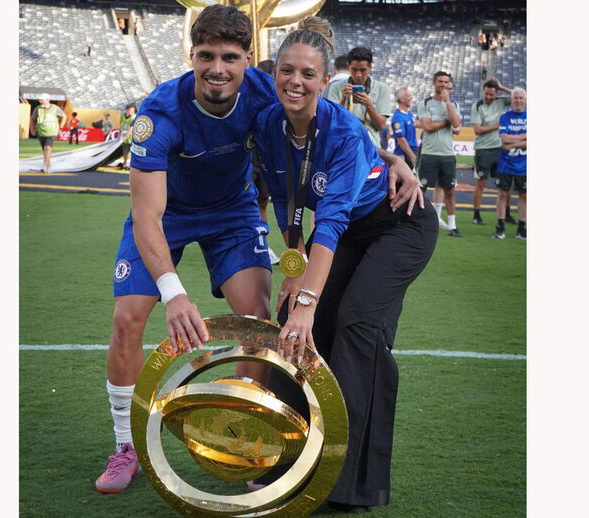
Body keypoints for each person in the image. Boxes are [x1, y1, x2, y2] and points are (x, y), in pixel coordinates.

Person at [95, 5, 424, 495]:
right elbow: (147, 216)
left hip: (232, 212)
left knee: (256, 318)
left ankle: (242, 434)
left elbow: (326, 127)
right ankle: (126, 446)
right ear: (191, 56)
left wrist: (389, 157)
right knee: (127, 319)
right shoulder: (159, 113)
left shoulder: (265, 90)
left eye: (230, 57)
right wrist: (174, 292)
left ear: (248, 60)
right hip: (168, 214)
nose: (218, 69)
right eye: (206, 56)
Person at [252, 16, 436, 514]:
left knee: (356, 324)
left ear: (325, 80)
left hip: (399, 224)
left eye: (308, 74)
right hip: (350, 230)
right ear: (274, 73)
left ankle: (348, 480)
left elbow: (329, 223)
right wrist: (294, 279)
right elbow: (289, 203)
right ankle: (284, 459)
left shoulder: (344, 132)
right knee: (296, 323)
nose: (295, 81)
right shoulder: (267, 122)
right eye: (286, 71)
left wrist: (307, 301)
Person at [417, 71, 463, 236]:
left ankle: (452, 226)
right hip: (429, 153)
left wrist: (447, 102)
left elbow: (456, 124)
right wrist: (446, 121)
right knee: (421, 188)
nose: (443, 84)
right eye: (440, 81)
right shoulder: (425, 103)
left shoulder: (453, 104)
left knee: (449, 191)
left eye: (446, 82)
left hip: (447, 153)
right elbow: (427, 127)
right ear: (434, 83)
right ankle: (415, 221)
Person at [326, 46, 392, 151]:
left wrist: (369, 105)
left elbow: (380, 126)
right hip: (343, 145)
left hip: (371, 147)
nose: (358, 75)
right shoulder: (336, 87)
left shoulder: (382, 88)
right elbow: (332, 120)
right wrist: (343, 99)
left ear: (370, 67)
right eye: (354, 69)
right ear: (348, 66)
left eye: (363, 70)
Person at [470, 77, 513, 225]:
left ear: (496, 93)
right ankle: (476, 215)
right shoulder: (477, 106)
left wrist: (502, 87)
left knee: (505, 184)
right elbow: (477, 129)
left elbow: (519, 97)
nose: (488, 97)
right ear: (483, 92)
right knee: (480, 183)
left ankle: (507, 214)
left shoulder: (501, 102)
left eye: (492, 94)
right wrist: (496, 126)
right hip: (483, 150)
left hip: (500, 149)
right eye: (486, 94)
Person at [251, 59, 280, 264]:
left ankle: (262, 245)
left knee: (262, 201)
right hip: (247, 157)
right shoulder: (248, 98)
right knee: (244, 201)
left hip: (265, 157)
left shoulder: (276, 99)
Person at [493, 87, 527, 240]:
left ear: (525, 100)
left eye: (521, 98)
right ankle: (500, 227)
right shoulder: (505, 117)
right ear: (511, 100)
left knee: (524, 196)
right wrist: (524, 137)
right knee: (502, 194)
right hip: (505, 163)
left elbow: (508, 142)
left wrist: (513, 143)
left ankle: (521, 229)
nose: (518, 100)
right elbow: (504, 139)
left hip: (525, 165)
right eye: (516, 98)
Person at [29, 93, 66, 173]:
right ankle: (48, 166)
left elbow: (63, 116)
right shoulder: (38, 109)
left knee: (47, 148)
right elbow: (32, 119)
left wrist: (61, 126)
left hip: (52, 131)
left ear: (48, 100)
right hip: (41, 132)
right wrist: (32, 130)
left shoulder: (54, 108)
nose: (40, 101)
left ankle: (45, 166)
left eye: (42, 100)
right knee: (45, 149)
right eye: (40, 100)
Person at [391, 86, 418, 169]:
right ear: (401, 99)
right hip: (404, 154)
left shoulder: (409, 114)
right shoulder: (398, 117)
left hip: (412, 151)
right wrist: (412, 156)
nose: (411, 98)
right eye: (408, 96)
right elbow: (401, 139)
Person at [119, 103, 136, 169]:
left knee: (133, 152)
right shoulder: (122, 116)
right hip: (124, 137)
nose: (131, 112)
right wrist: (120, 135)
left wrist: (125, 137)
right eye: (130, 110)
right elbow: (120, 125)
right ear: (126, 110)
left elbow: (131, 129)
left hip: (132, 138)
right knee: (125, 152)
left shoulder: (134, 117)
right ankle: (125, 163)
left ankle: (133, 165)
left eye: (133, 111)